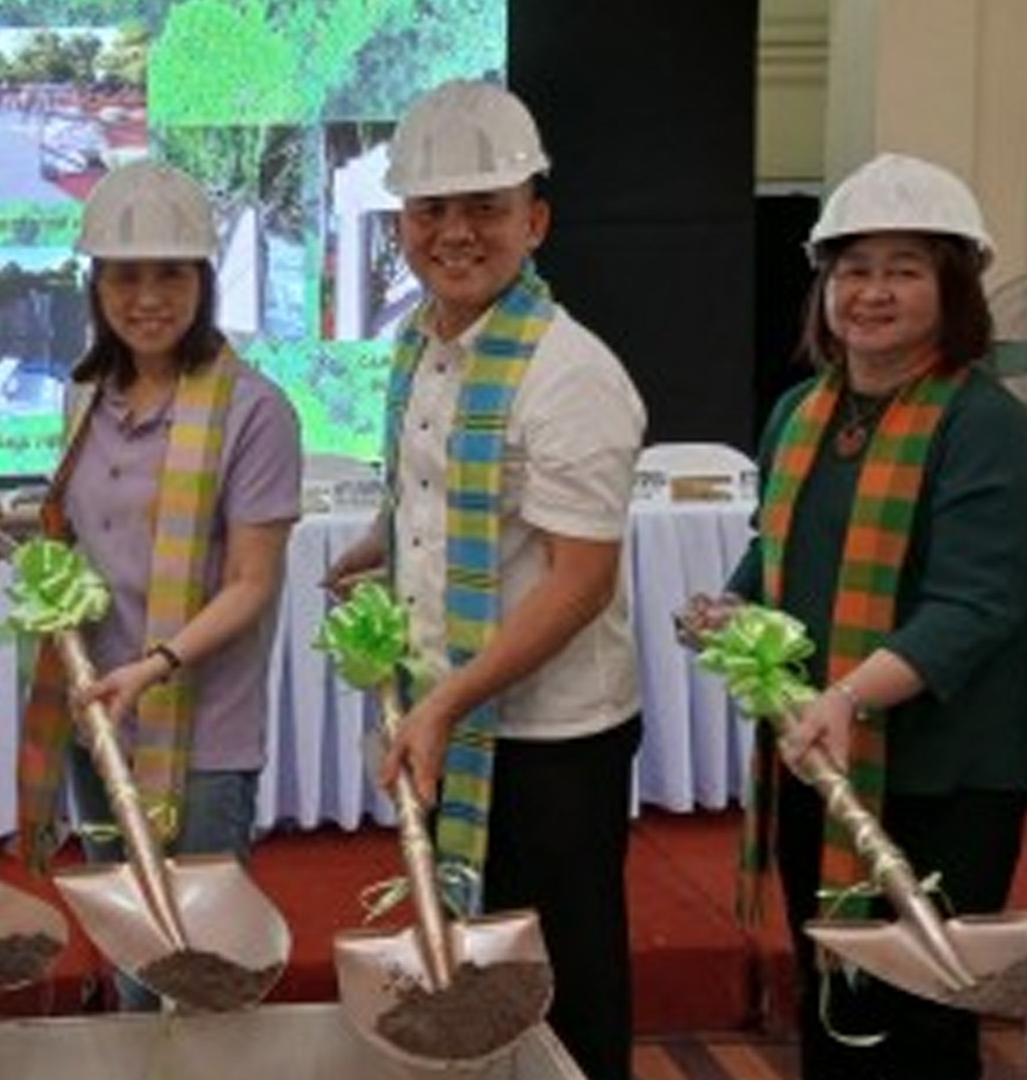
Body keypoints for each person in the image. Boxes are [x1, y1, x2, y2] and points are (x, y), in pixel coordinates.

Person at [712, 152, 1027, 1080]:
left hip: (944, 773)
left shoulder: (985, 429)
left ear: (953, 287)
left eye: (903, 270)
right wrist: (733, 602)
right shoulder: (802, 411)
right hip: (823, 755)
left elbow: (975, 605)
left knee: (921, 1018)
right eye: (852, 269)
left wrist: (846, 696)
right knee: (833, 993)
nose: (871, 293)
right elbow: (778, 544)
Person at [323, 79, 645, 1080]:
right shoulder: (422, 342)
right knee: (467, 957)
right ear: (401, 224)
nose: (455, 233)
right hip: (450, 706)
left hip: (550, 739)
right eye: (431, 209)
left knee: (558, 982)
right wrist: (380, 543)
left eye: (484, 209)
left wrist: (445, 703)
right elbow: (437, 490)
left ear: (534, 221)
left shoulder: (570, 373)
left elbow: (579, 582)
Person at [14, 160, 303, 1010]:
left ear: (203, 280)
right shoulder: (86, 397)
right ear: (96, 284)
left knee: (204, 970)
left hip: (203, 736)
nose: (148, 297)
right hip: (98, 720)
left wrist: (156, 666)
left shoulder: (255, 410)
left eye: (170, 274)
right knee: (134, 953)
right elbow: (90, 536)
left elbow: (252, 581)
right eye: (125, 275)